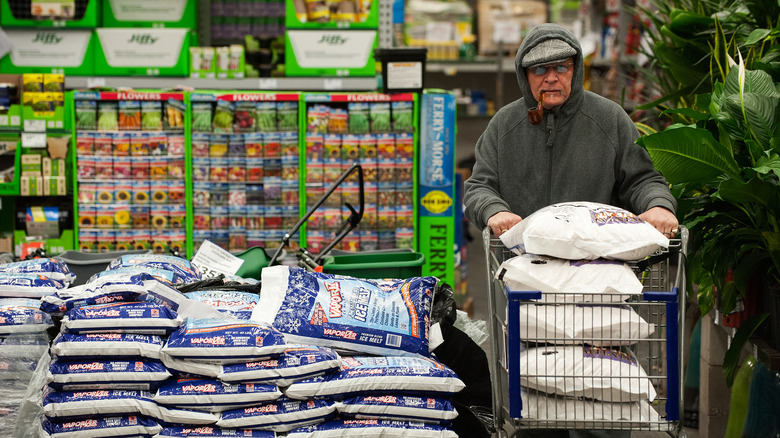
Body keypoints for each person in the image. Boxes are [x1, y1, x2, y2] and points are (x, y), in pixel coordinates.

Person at [462, 23, 679, 438]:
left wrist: (657, 205)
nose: (551, 77)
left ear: (576, 68)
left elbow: (641, 178)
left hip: (598, 285)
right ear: (524, 77)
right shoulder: (505, 125)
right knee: (531, 398)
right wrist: (494, 211)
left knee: (605, 397)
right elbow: (479, 185)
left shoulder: (609, 119)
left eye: (561, 66)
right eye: (538, 70)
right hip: (530, 283)